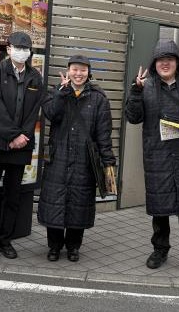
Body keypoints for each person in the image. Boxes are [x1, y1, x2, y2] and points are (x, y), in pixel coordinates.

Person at [124, 39, 179, 277]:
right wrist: (135, 91)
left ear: (177, 62)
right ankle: (160, 250)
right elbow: (133, 118)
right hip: (158, 156)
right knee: (160, 210)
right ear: (155, 63)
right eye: (161, 60)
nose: (165, 63)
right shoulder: (146, 86)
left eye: (170, 59)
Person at [38, 55, 116, 262]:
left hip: (85, 158)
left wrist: (108, 162)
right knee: (55, 202)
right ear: (68, 70)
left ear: (88, 73)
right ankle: (54, 246)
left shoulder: (99, 98)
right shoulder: (57, 92)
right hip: (58, 156)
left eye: (82, 70)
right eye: (74, 69)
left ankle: (73, 246)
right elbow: (50, 114)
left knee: (79, 204)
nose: (78, 74)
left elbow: (103, 133)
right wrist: (61, 94)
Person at [0, 31, 44, 262]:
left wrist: (22, 136)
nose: (22, 51)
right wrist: (13, 135)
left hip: (21, 144)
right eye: (18, 47)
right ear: (8, 49)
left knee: (13, 196)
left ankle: (5, 240)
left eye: (26, 48)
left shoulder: (35, 76)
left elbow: (34, 110)